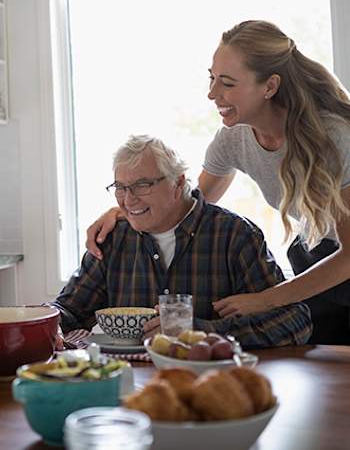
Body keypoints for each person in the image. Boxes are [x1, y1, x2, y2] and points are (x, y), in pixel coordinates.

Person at [84, 20, 350, 345]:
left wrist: (265, 299)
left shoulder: (334, 138)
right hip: (318, 254)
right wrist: (126, 210)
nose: (212, 94)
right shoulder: (233, 139)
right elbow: (186, 206)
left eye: (227, 83)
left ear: (269, 86)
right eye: (212, 79)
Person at [50, 135, 311, 348]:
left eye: (142, 185)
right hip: (128, 387)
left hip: (213, 386)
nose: (128, 200)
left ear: (178, 183)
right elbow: (70, 309)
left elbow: (294, 320)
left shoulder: (234, 235)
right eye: (120, 187)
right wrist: (37, 322)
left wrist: (204, 333)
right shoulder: (112, 238)